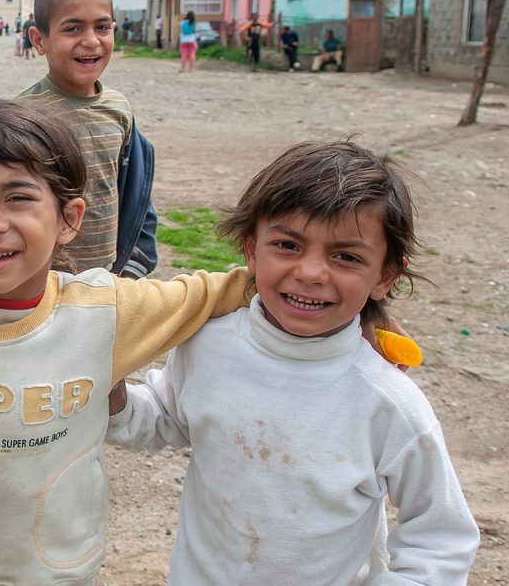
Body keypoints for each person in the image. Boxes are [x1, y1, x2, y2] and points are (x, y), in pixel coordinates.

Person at [0, 99, 253, 584]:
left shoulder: (105, 312)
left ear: (69, 218)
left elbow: (223, 290)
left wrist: (352, 317)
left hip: (56, 571)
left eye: (19, 197)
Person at [108, 140, 480, 583]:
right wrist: (110, 393)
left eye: (346, 256)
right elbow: (165, 417)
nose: (310, 273)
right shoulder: (208, 345)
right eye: (287, 244)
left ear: (384, 277)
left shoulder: (388, 403)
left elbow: (440, 537)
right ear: (250, 250)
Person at [21, 0, 158, 278]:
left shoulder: (119, 109)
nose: (91, 41)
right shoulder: (24, 115)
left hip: (109, 273)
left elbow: (136, 190)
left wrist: (134, 264)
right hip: (44, 275)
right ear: (39, 39)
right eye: (73, 29)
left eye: (102, 27)